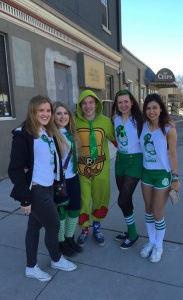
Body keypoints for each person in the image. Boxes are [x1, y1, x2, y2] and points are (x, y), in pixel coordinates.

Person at [8, 95, 77, 282]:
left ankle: (31, 267)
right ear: (33, 111)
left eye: (48, 110)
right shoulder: (23, 134)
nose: (46, 114)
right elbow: (14, 169)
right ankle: (56, 259)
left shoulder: (47, 132)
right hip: (36, 190)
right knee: (53, 225)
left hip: (48, 187)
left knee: (34, 227)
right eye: (42, 110)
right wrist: (25, 198)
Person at [139, 93, 180, 263]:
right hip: (146, 173)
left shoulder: (169, 128)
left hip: (162, 174)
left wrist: (175, 178)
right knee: (148, 209)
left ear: (161, 108)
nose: (151, 111)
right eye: (148, 108)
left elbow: (173, 154)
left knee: (157, 212)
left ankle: (159, 246)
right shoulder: (143, 125)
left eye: (155, 107)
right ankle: (151, 241)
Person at [75, 89, 116, 247]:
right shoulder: (74, 121)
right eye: (84, 103)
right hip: (81, 169)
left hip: (101, 169)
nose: (88, 106)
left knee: (100, 199)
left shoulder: (105, 121)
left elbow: (116, 140)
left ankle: (97, 227)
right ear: (80, 105)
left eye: (91, 102)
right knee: (84, 199)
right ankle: (84, 229)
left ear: (96, 104)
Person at [111, 90, 143, 249]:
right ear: (116, 105)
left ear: (131, 102)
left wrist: (168, 123)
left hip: (135, 162)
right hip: (120, 161)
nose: (123, 105)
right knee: (126, 199)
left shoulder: (139, 119)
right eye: (119, 102)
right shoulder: (115, 119)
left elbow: (157, 125)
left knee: (122, 199)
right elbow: (115, 139)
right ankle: (129, 230)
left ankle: (133, 234)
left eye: (126, 101)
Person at [53, 101, 83, 256]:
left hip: (73, 177)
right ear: (53, 116)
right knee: (61, 211)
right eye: (58, 113)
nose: (63, 116)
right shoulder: (51, 134)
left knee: (75, 208)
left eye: (65, 113)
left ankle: (70, 238)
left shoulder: (71, 133)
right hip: (59, 180)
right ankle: (61, 242)